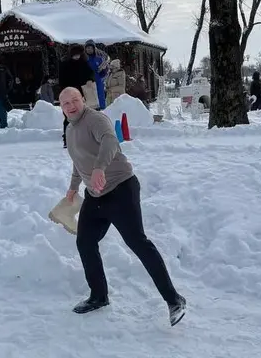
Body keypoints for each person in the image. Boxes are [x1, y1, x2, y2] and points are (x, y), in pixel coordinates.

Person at [59, 86, 185, 326]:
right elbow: (78, 159)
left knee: (137, 242)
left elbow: (110, 141)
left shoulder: (95, 119)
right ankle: (99, 296)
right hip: (95, 195)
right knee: (85, 242)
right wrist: (74, 185)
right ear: (61, 108)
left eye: (75, 100)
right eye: (66, 103)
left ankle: (174, 299)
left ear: (83, 100)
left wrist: (99, 168)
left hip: (120, 189)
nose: (71, 106)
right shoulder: (70, 128)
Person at [58, 46, 94, 147]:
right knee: (69, 117)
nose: (77, 57)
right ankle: (67, 139)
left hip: (81, 95)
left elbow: (91, 74)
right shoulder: (65, 64)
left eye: (79, 55)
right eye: (75, 55)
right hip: (68, 94)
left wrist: (90, 80)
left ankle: (83, 139)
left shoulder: (84, 63)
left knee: (83, 116)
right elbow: (61, 81)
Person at [84, 40, 110, 110]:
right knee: (90, 103)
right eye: (87, 48)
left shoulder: (99, 59)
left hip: (98, 82)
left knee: (100, 99)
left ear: (94, 48)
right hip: (88, 83)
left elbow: (104, 73)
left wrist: (104, 70)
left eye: (90, 48)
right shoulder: (84, 60)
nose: (89, 49)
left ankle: (102, 111)